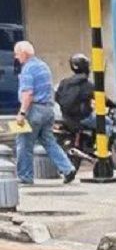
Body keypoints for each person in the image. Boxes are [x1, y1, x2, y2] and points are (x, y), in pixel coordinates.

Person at [13, 40, 75, 186]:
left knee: (24, 143)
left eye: (17, 54)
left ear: (24, 53)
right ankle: (68, 168)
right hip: (48, 109)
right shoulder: (43, 66)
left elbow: (28, 93)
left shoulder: (28, 69)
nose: (16, 57)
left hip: (34, 110)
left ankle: (25, 176)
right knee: (49, 141)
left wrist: (22, 113)